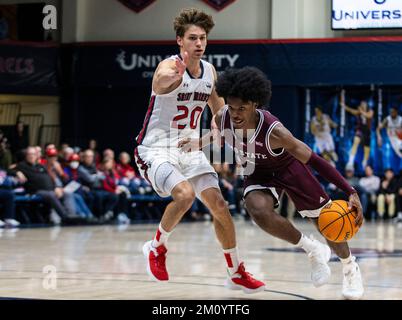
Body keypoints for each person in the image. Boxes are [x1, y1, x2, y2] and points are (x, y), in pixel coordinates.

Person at [186, 66, 365, 299]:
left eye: (242, 108)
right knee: (257, 210)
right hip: (258, 172)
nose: (236, 114)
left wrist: (349, 190)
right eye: (232, 107)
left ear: (255, 104)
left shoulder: (275, 132)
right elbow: (219, 133)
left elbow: (314, 159)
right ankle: (313, 250)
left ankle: (350, 267)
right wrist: (198, 143)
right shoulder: (224, 117)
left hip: (289, 169)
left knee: (327, 222)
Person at [134, 8, 264, 292]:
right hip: (156, 148)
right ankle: (156, 247)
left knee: (220, 206)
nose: (199, 43)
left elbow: (219, 114)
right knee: (185, 195)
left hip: (190, 148)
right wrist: (178, 78)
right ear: (180, 40)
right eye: (192, 38)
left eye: (203, 38)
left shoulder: (209, 71)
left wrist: (232, 139)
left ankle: (235, 271)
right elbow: (159, 84)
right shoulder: (167, 67)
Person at [341, 99, 374, 170]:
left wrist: (361, 111)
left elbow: (369, 116)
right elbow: (350, 110)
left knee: (366, 149)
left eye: (364, 104)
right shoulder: (358, 112)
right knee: (355, 142)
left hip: (367, 131)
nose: (362, 106)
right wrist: (344, 106)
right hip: (360, 130)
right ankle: (350, 161)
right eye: (361, 104)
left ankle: (364, 162)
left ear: (366, 105)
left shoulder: (370, 111)